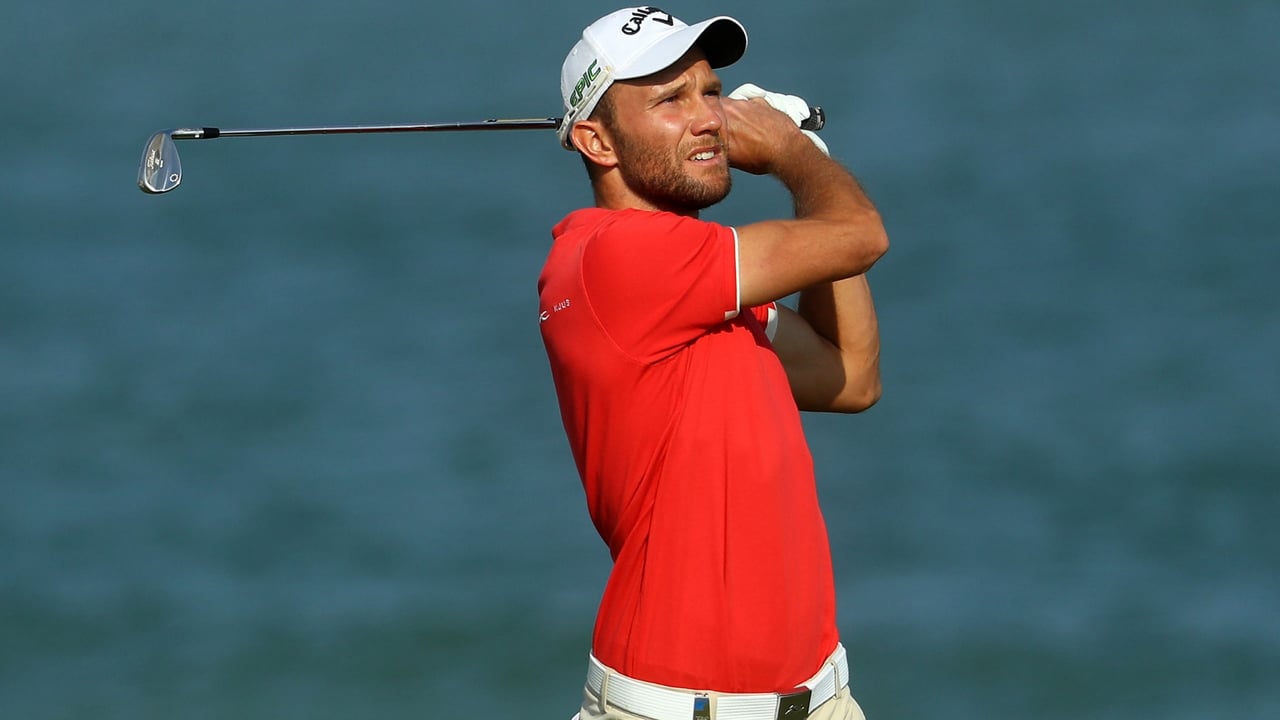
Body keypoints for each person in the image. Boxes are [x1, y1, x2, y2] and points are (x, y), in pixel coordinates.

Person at [537, 7, 889, 720]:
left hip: (819, 698)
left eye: (711, 92)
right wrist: (795, 157)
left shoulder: (702, 288)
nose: (711, 120)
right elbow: (860, 234)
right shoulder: (621, 257)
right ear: (594, 140)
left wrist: (807, 159)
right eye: (671, 99)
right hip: (678, 707)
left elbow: (850, 377)